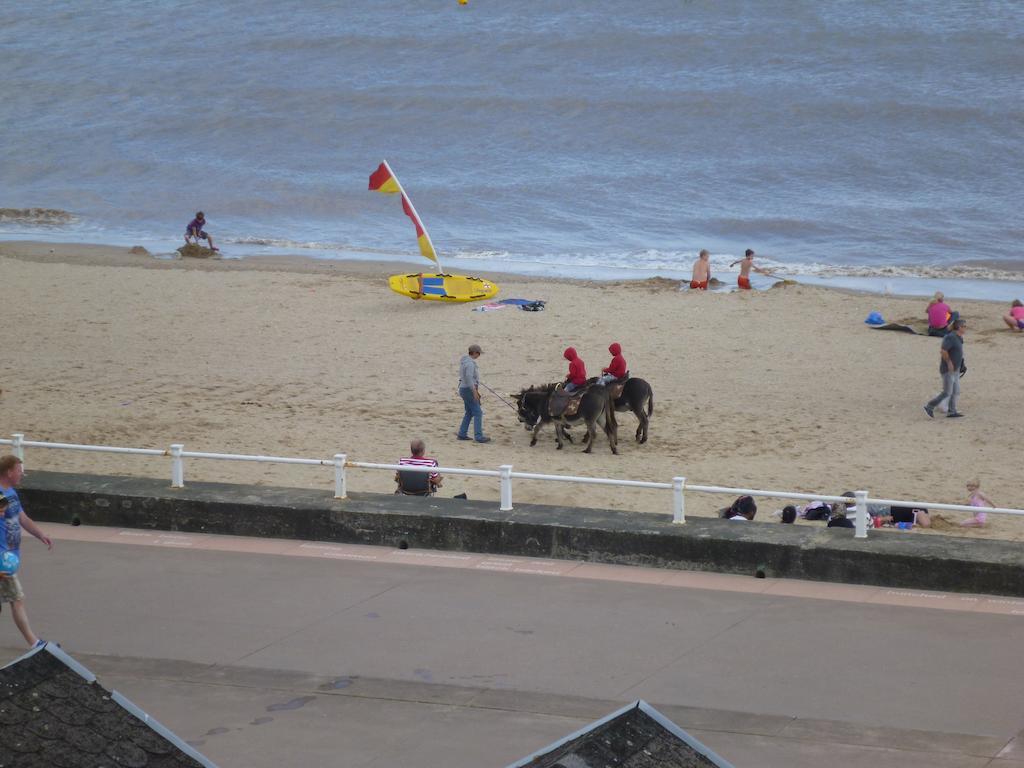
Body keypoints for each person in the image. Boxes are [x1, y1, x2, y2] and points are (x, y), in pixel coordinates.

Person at [0, 455, 53, 648]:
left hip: (9, 556)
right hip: (2, 559)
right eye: (19, 470)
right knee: (17, 598)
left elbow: (22, 518)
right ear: (9, 472)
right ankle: (34, 643)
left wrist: (40, 534)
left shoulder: (11, 493)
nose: (22, 473)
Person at [924, 318, 967, 419]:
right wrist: (949, 363)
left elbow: (958, 352)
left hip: (956, 369)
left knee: (955, 391)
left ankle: (952, 411)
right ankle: (929, 406)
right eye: (964, 326)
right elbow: (943, 351)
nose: (966, 328)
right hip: (948, 370)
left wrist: (961, 363)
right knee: (947, 391)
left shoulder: (959, 337)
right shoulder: (950, 337)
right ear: (959, 327)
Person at [457, 344, 490, 443]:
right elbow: (468, 377)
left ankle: (462, 434)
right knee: (478, 413)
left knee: (469, 412)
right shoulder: (470, 364)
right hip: (468, 389)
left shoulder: (464, 362)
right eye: (479, 353)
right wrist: (475, 391)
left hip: (464, 389)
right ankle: (479, 436)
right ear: (475, 353)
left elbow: (467, 377)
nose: (479, 355)